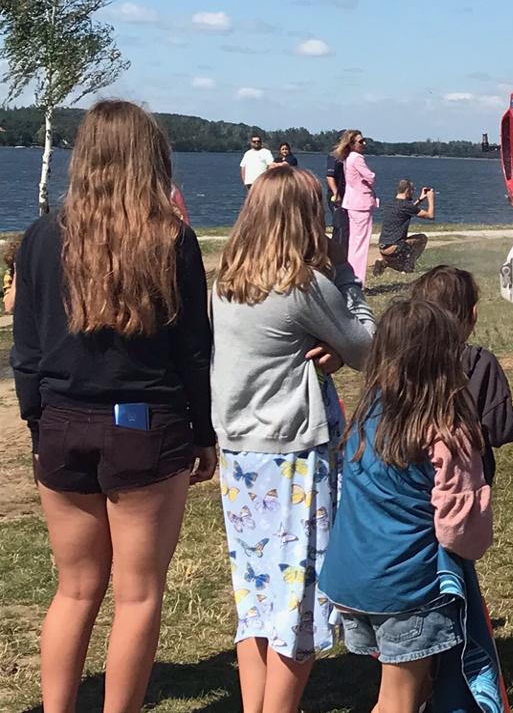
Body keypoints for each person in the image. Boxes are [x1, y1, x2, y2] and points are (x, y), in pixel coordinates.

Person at [9, 100, 219, 713]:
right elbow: (193, 349)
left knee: (74, 590)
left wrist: (37, 421)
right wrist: (203, 432)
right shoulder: (171, 238)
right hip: (146, 426)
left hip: (60, 421)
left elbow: (26, 348)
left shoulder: (42, 237)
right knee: (138, 594)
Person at [211, 165, 376, 713]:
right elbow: (368, 346)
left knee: (256, 597)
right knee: (297, 603)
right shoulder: (302, 285)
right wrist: (347, 276)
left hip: (241, 455)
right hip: (292, 460)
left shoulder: (228, 282)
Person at [319, 299, 499, 713]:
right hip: (405, 588)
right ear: (445, 359)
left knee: (411, 691)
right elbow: (458, 529)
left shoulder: (367, 415)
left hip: (352, 579)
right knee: (395, 702)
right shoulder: (446, 432)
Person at [411, 266, 513, 484]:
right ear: (473, 314)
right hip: (467, 481)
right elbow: (499, 431)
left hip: (414, 478)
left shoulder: (404, 360)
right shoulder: (480, 362)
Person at [336, 130, 378, 280]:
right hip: (361, 204)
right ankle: (358, 278)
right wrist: (370, 178)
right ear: (352, 144)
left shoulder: (347, 158)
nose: (364, 143)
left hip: (352, 203)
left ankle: (350, 276)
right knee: (361, 244)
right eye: (360, 141)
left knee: (354, 242)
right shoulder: (357, 158)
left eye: (364, 140)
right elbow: (370, 177)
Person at [373, 179, 435, 276]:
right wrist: (431, 198)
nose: (413, 193)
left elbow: (408, 209)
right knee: (422, 238)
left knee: (401, 250)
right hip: (394, 248)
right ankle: (408, 267)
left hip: (383, 248)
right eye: (412, 190)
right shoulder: (406, 206)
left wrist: (420, 200)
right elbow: (430, 216)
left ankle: (384, 262)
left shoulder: (390, 204)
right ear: (407, 190)